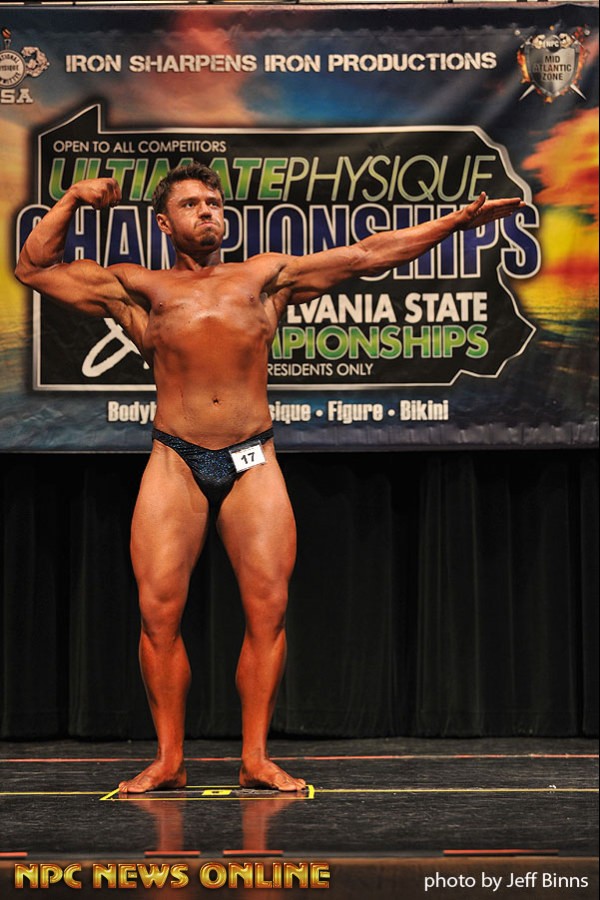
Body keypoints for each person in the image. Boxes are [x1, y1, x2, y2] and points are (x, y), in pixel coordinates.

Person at [15, 162, 523, 793]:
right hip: (175, 459)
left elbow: (367, 254)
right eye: (192, 204)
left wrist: (457, 221)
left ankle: (255, 757)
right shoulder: (136, 286)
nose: (208, 211)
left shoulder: (264, 276)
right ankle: (169, 759)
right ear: (163, 222)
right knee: (157, 614)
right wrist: (71, 197)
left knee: (268, 611)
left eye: (214, 202)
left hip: (252, 458)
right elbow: (33, 268)